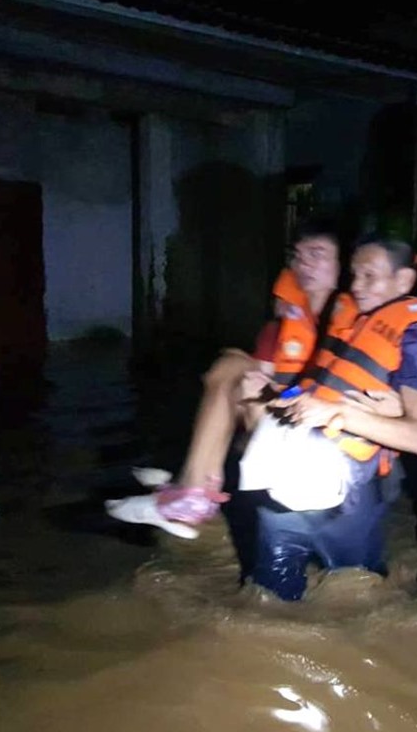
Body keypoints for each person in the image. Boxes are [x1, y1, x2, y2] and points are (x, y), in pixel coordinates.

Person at [106, 218, 356, 541]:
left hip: (326, 433)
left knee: (232, 365)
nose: (304, 263)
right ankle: (191, 488)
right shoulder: (283, 326)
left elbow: (326, 396)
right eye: (298, 254)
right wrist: (267, 389)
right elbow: (258, 385)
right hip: (280, 421)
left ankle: (190, 488)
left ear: (342, 266)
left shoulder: (352, 326)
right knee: (232, 364)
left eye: (318, 254)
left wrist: (275, 390)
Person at [251, 236, 417, 601]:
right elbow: (315, 390)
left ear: (404, 281)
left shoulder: (411, 347)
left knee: (353, 603)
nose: (357, 286)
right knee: (267, 601)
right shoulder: (346, 324)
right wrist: (270, 393)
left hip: (350, 498)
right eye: (354, 275)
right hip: (289, 480)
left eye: (370, 276)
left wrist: (339, 413)